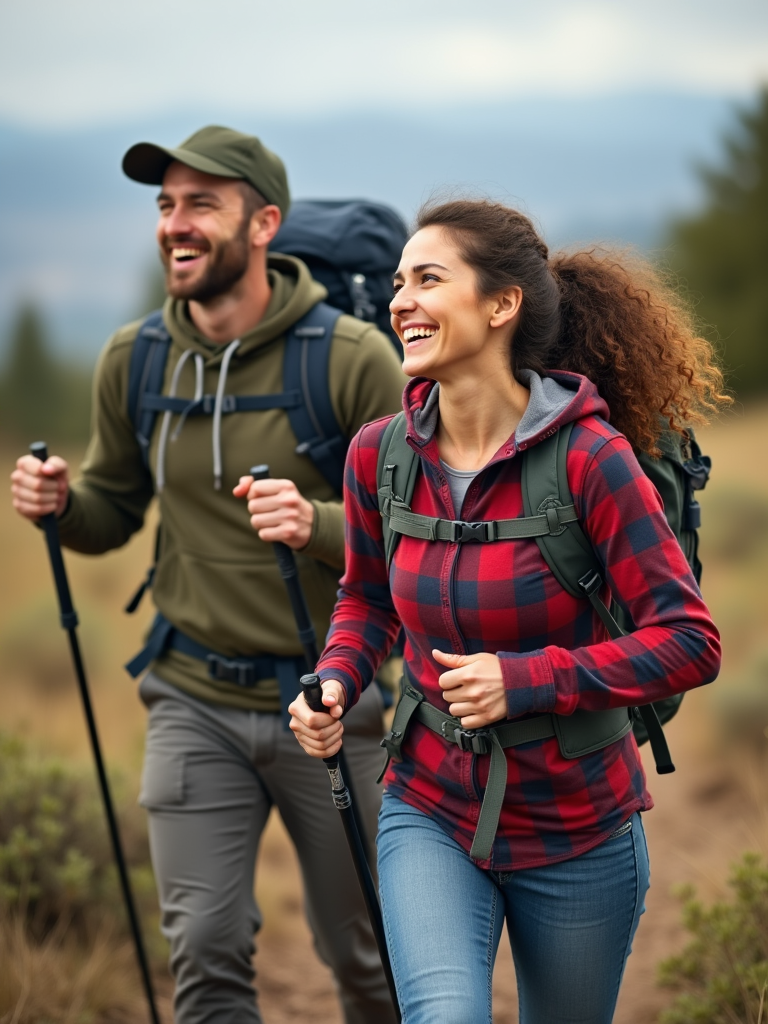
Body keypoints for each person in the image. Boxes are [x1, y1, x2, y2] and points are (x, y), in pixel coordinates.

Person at [289, 199, 727, 1024]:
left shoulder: (594, 461)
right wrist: (339, 679)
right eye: (397, 282)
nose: (400, 300)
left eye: (428, 279)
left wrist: (527, 680)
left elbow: (690, 643)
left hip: (578, 825)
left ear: (501, 305)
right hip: (428, 804)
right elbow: (367, 597)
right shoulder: (377, 455)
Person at [10, 126, 405, 1024]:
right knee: (205, 955)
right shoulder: (137, 358)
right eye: (164, 205)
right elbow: (114, 509)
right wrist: (62, 505)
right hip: (190, 699)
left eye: (201, 205)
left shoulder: (347, 359)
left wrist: (317, 524)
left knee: (371, 953)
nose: (174, 225)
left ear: (264, 223)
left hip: (332, 703)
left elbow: (415, 535)